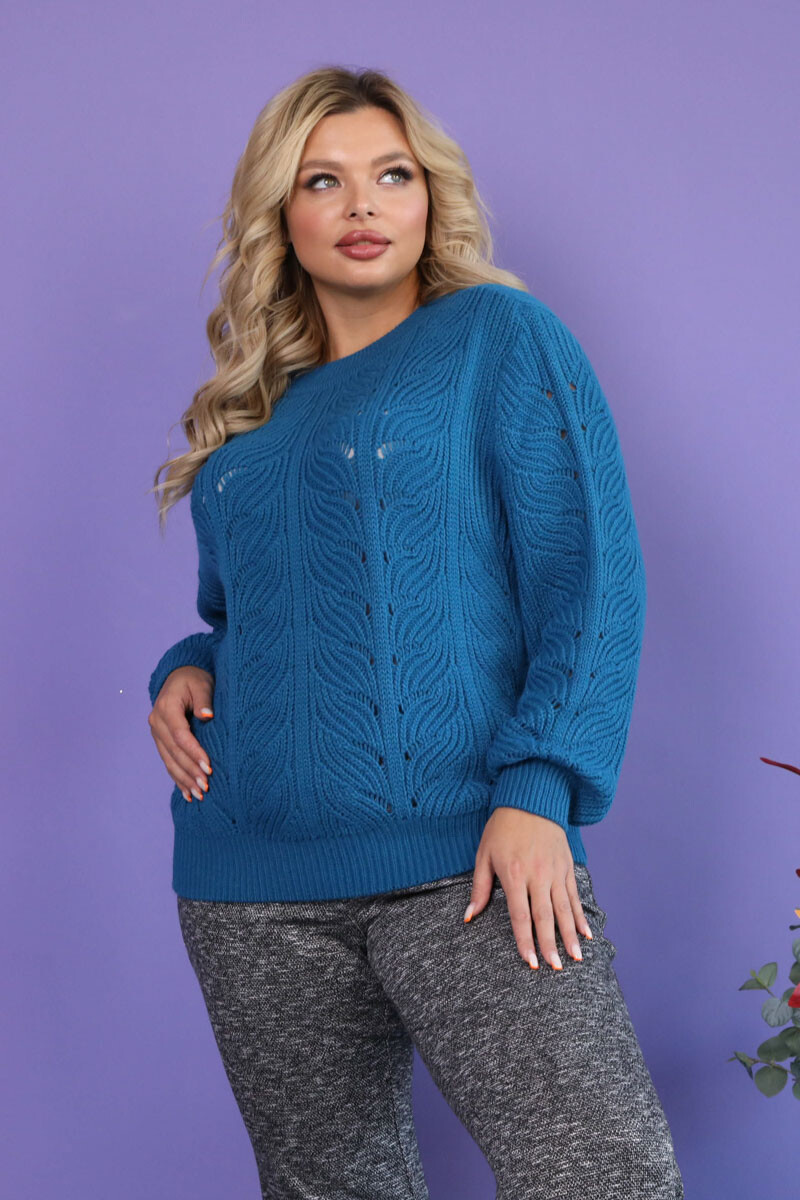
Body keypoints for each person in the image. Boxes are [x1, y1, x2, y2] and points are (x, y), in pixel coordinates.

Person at [147, 65, 684, 1200]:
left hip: (470, 855)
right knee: (328, 1188)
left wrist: (539, 790)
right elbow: (244, 613)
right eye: (323, 181)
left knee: (598, 1175)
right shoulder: (252, 419)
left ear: (431, 196)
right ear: (280, 214)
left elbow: (590, 580)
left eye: (392, 175)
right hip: (245, 877)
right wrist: (186, 665)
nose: (362, 205)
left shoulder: (499, 338)